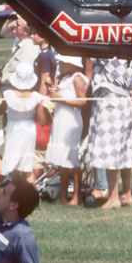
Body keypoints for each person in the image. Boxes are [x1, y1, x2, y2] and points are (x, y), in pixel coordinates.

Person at [85, 56, 132, 206]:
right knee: (125, 150)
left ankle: (114, 197)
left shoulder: (108, 55)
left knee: (110, 151)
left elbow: (90, 55)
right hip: (125, 102)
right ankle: (127, 194)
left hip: (110, 104)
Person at [44, 54, 87, 204]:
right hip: (61, 118)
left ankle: (77, 195)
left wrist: (62, 98)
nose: (61, 63)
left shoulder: (78, 78)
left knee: (71, 157)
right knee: (62, 158)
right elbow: (57, 96)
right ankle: (62, 194)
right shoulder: (64, 76)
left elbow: (83, 101)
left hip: (72, 120)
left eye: (64, 61)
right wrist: (51, 88)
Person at [0, 67, 45, 179]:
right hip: (28, 130)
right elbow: (42, 121)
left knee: (15, 167)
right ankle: (25, 194)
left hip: (14, 130)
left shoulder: (8, 94)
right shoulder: (36, 97)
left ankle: (19, 193)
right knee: (27, 169)